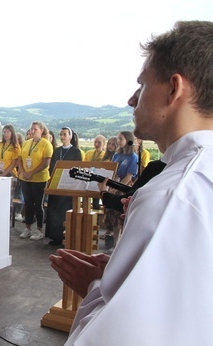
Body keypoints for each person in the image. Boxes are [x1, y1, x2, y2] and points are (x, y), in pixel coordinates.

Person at [51, 21, 213, 345]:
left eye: (141, 85)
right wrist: (125, 273)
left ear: (173, 89)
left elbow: (123, 336)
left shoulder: (171, 196)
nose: (131, 99)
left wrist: (96, 286)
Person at [45, 127, 83, 246]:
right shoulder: (57, 151)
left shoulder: (76, 152)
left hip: (68, 185)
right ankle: (55, 236)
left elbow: (78, 169)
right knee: (55, 210)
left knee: (65, 211)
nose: (62, 137)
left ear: (70, 137)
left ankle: (66, 237)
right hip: (57, 184)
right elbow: (51, 167)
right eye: (61, 134)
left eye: (65, 134)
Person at [102, 130, 138, 250]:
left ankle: (119, 244)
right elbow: (112, 171)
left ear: (128, 140)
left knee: (119, 216)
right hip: (114, 184)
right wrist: (110, 186)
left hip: (124, 186)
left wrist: (116, 187)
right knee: (111, 213)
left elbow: (129, 176)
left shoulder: (133, 157)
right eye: (118, 138)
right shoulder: (116, 155)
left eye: (121, 139)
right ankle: (113, 241)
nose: (118, 141)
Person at [17, 121, 53, 240]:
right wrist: (23, 171)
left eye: (35, 129)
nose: (32, 131)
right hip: (25, 178)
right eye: (31, 129)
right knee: (27, 203)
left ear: (41, 131)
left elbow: (45, 162)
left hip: (39, 179)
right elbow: (20, 159)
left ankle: (39, 230)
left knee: (38, 205)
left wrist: (31, 173)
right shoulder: (26, 143)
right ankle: (27, 228)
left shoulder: (46, 144)